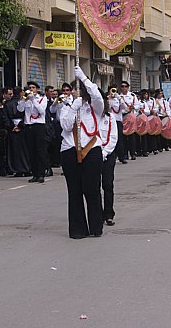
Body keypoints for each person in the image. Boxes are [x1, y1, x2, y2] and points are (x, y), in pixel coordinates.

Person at [59, 66, 104, 239]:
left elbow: (98, 95)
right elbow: (66, 126)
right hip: (70, 150)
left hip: (91, 149)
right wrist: (73, 107)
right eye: (74, 92)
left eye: (80, 92)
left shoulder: (95, 107)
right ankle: (78, 229)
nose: (77, 95)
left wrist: (84, 78)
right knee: (75, 191)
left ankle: (96, 226)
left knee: (92, 189)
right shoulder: (68, 106)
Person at [17, 81, 49, 183]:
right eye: (30, 87)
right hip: (29, 126)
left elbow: (42, 111)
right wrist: (23, 99)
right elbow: (20, 109)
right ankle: (34, 174)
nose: (31, 89)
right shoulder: (26, 99)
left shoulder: (42, 99)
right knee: (31, 152)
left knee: (40, 151)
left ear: (37, 89)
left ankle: (41, 174)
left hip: (39, 126)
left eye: (33, 87)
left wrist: (33, 100)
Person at [100, 96, 119, 226]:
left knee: (107, 184)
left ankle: (108, 213)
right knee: (93, 186)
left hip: (108, 153)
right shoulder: (89, 116)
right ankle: (97, 213)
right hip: (92, 153)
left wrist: (105, 152)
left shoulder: (110, 117)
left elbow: (113, 137)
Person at [5, 87, 30, 177]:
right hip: (22, 127)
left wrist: (12, 126)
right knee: (24, 149)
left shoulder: (8, 104)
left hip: (12, 127)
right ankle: (26, 168)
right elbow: (26, 115)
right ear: (20, 93)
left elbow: (5, 117)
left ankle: (17, 169)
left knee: (14, 150)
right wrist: (20, 125)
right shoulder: (23, 103)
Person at [118, 81, 138, 160]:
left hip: (130, 116)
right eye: (122, 86)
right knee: (123, 137)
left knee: (131, 136)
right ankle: (125, 154)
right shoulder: (119, 96)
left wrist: (133, 107)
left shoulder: (132, 96)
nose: (124, 88)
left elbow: (137, 105)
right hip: (122, 117)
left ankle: (133, 153)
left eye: (125, 86)